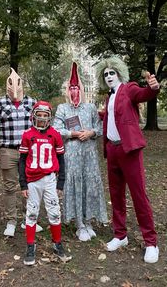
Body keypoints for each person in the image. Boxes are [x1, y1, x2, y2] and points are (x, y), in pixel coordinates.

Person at [96, 56, 160, 264]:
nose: (108, 77)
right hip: (112, 150)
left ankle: (151, 242)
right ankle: (120, 235)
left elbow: (145, 94)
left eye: (111, 73)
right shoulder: (109, 97)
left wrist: (153, 87)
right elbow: (113, 118)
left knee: (139, 195)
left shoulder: (129, 88)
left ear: (119, 73)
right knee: (116, 195)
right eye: (105, 74)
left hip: (129, 150)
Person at [53, 62, 108, 242]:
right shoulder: (63, 108)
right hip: (73, 155)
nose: (74, 91)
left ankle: (88, 220)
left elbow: (100, 127)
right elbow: (56, 129)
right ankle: (79, 224)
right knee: (76, 185)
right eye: (71, 88)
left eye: (77, 87)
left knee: (89, 185)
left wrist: (91, 132)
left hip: (90, 155)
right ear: (67, 90)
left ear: (82, 89)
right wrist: (73, 133)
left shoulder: (90, 107)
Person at [0, 68, 42, 237]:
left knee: (30, 186)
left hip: (28, 151)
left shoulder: (32, 103)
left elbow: (40, 127)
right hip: (8, 151)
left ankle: (29, 220)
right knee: (10, 187)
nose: (14, 90)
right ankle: (11, 220)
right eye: (10, 85)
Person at [18, 101, 72, 265]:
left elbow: (61, 160)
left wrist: (60, 183)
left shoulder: (55, 134)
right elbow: (22, 161)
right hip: (33, 181)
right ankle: (30, 246)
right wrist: (23, 184)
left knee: (54, 212)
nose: (41, 119)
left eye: (45, 116)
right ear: (33, 116)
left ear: (49, 117)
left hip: (49, 179)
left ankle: (57, 244)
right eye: (39, 115)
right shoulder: (27, 134)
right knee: (32, 213)